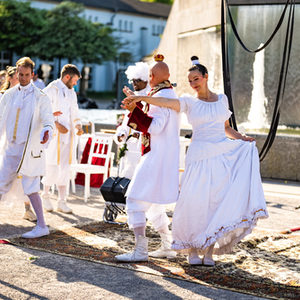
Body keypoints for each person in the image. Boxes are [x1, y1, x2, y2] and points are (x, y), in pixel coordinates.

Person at [123, 56, 268, 266]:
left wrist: (242, 138)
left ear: (206, 77)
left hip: (221, 154)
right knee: (194, 202)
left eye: (196, 78)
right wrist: (141, 99)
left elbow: (225, 127)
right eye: (190, 80)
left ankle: (208, 250)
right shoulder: (189, 102)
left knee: (215, 203)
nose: (193, 83)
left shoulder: (222, 99)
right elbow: (166, 102)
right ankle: (192, 250)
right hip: (198, 156)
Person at [115, 54, 180, 262]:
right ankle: (167, 246)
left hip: (155, 156)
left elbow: (156, 126)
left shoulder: (162, 96)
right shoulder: (167, 93)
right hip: (161, 156)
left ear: (151, 76)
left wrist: (135, 109)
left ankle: (140, 251)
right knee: (153, 205)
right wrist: (136, 106)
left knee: (134, 200)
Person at [0, 56, 54, 238]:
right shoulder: (8, 95)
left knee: (31, 187)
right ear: (16, 73)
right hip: (10, 147)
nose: (23, 78)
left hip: (29, 150)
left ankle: (42, 225)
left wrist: (47, 130)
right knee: (0, 183)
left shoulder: (41, 97)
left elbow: (48, 120)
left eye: (26, 75)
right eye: (20, 74)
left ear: (33, 75)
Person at [41, 64, 83, 214]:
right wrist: (56, 123)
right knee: (51, 165)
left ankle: (62, 201)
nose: (75, 83)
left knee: (65, 168)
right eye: (75, 80)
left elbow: (74, 110)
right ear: (67, 77)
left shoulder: (72, 92)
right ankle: (45, 196)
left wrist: (78, 125)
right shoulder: (52, 89)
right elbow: (41, 109)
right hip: (54, 136)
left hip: (69, 136)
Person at [0, 66, 37, 222]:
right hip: (7, 143)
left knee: (25, 178)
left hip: (23, 145)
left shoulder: (30, 96)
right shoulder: (5, 96)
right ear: (11, 78)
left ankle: (28, 210)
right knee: (3, 177)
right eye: (17, 76)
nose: (21, 79)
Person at [114, 62, 150, 179]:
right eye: (133, 80)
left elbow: (144, 118)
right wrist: (121, 133)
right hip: (129, 144)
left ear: (145, 80)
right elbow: (126, 122)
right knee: (125, 177)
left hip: (140, 144)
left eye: (138, 80)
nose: (134, 83)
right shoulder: (133, 96)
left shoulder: (150, 97)